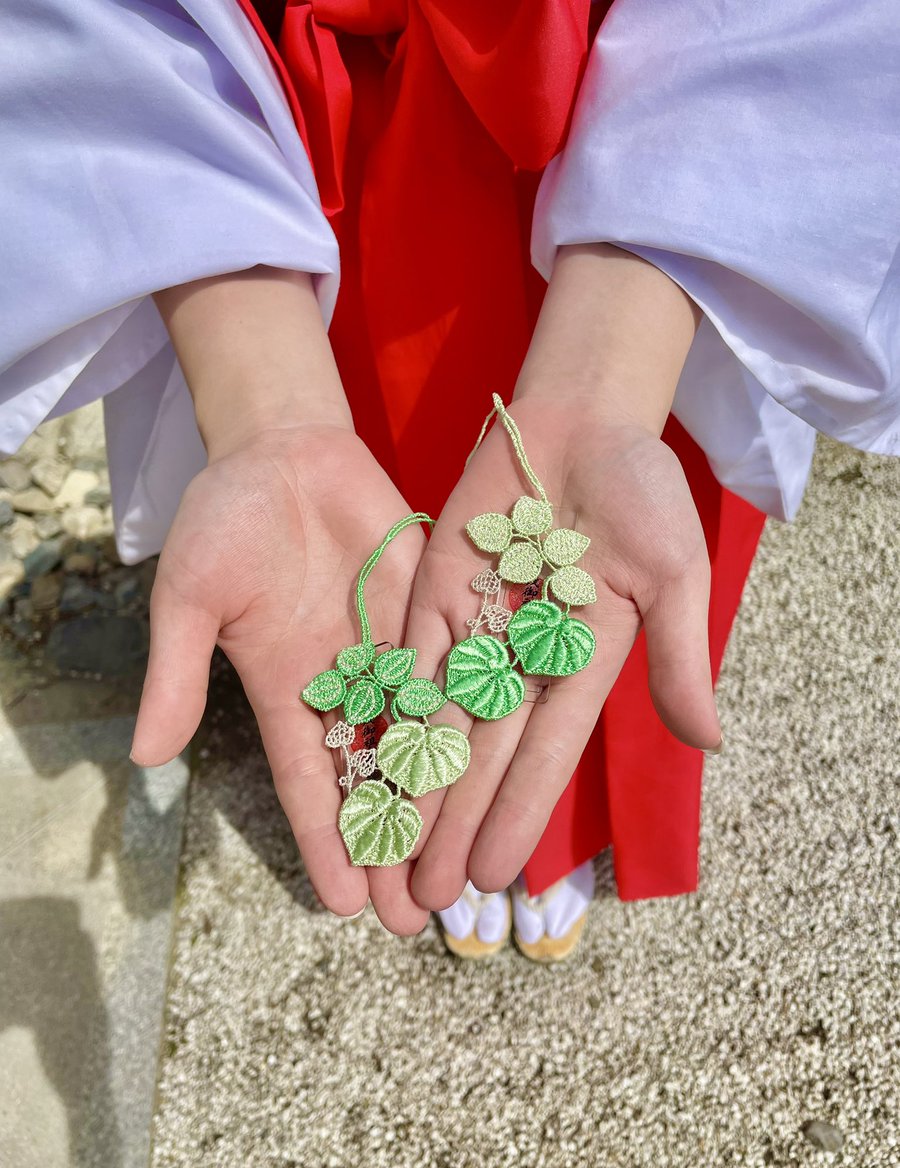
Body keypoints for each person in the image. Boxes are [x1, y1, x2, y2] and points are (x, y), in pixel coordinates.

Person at [1, 1, 897, 960]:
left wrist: (613, 366)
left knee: (604, 542)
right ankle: (459, 822)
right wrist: (265, 406)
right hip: (297, 127)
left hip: (641, 103)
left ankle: (551, 836)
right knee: (392, 490)